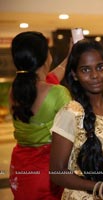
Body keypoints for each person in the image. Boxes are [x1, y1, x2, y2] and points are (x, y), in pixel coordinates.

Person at [49, 39, 103, 200]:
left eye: (100, 67)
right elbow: (56, 173)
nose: (95, 75)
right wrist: (101, 188)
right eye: (85, 70)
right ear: (75, 75)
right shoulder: (70, 113)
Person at [9, 31, 71, 199]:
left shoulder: (15, 90)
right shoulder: (57, 93)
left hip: (20, 169)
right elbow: (75, 133)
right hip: (49, 171)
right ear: (46, 57)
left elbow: (51, 77)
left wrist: (70, 56)